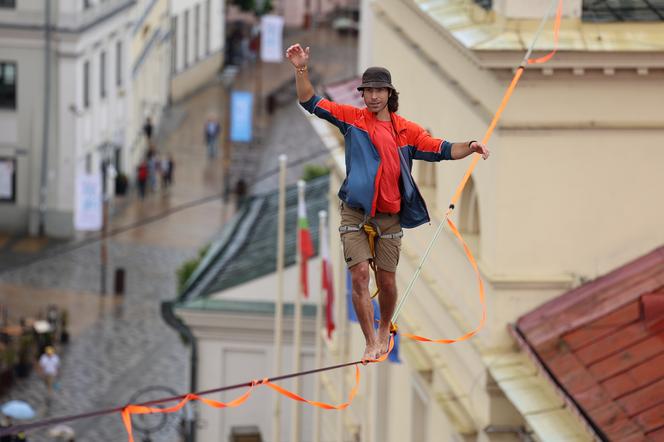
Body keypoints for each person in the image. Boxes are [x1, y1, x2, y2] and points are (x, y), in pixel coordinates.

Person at [286, 44, 490, 361]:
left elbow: (442, 149)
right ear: (363, 95)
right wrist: (301, 68)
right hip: (354, 211)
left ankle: (384, 330)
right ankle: (370, 341)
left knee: (387, 280)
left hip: (389, 216)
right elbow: (309, 101)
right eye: (368, 91)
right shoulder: (353, 119)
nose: (373, 96)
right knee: (359, 277)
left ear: (389, 94)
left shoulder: (406, 130)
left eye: (379, 90)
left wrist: (472, 146)